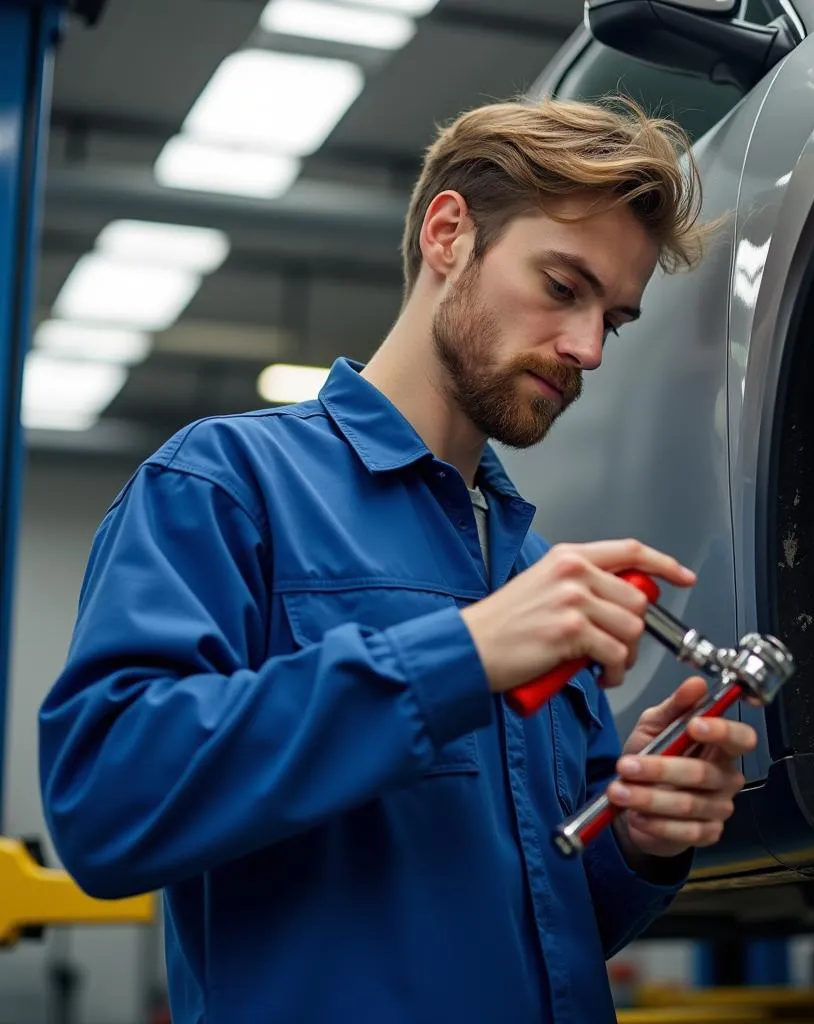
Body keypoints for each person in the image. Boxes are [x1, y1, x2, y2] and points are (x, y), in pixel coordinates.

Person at [38, 95, 758, 1024]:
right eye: (562, 287)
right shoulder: (225, 485)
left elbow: (554, 924)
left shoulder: (526, 566)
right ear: (449, 233)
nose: (586, 349)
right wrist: (458, 657)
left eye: (612, 320)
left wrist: (641, 837)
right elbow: (105, 802)